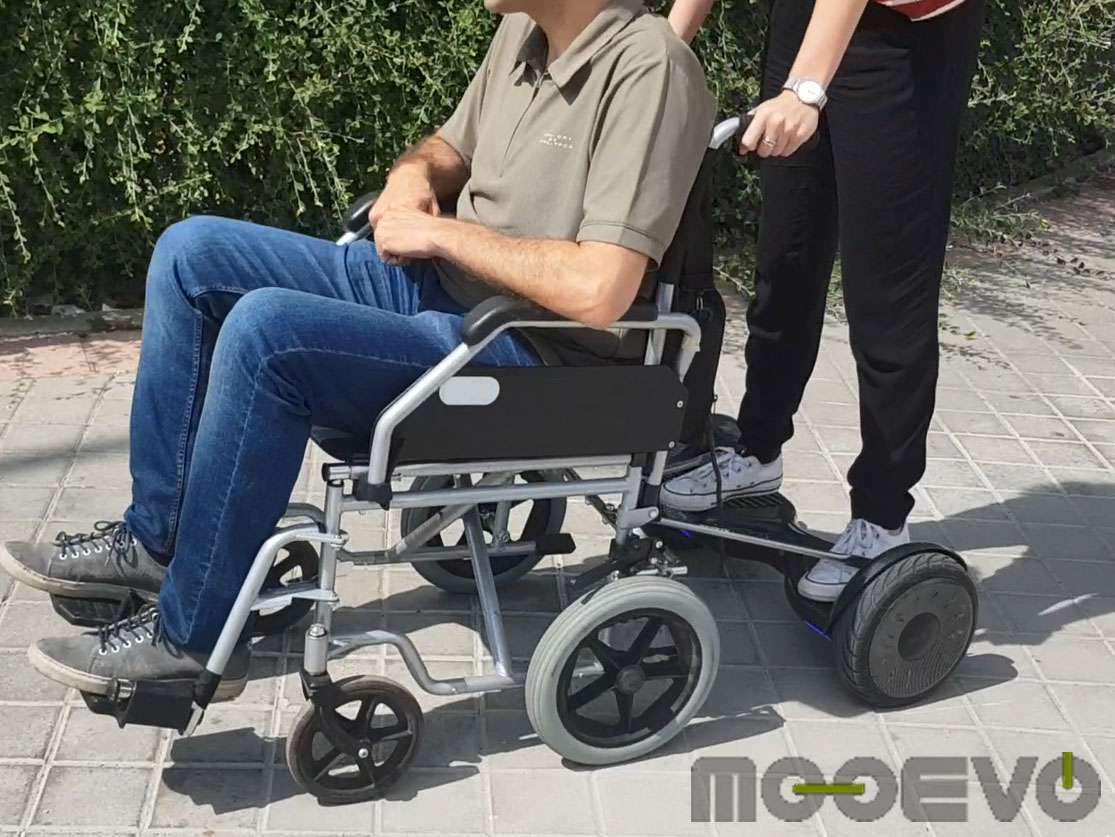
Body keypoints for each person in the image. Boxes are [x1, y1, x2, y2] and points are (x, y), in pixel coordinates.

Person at [1, 0, 715, 700]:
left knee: (267, 333)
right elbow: (449, 148)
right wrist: (412, 179)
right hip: (439, 291)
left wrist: (440, 234)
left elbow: (601, 288)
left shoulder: (650, 69)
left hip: (529, 350)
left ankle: (190, 640)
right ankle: (156, 546)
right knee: (192, 254)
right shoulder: (527, 31)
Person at [661, 0, 984, 602]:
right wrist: (663, 53)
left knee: (887, 298)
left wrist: (806, 90)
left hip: (899, 38)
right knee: (786, 261)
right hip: (804, 18)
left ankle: (882, 518)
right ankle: (757, 450)